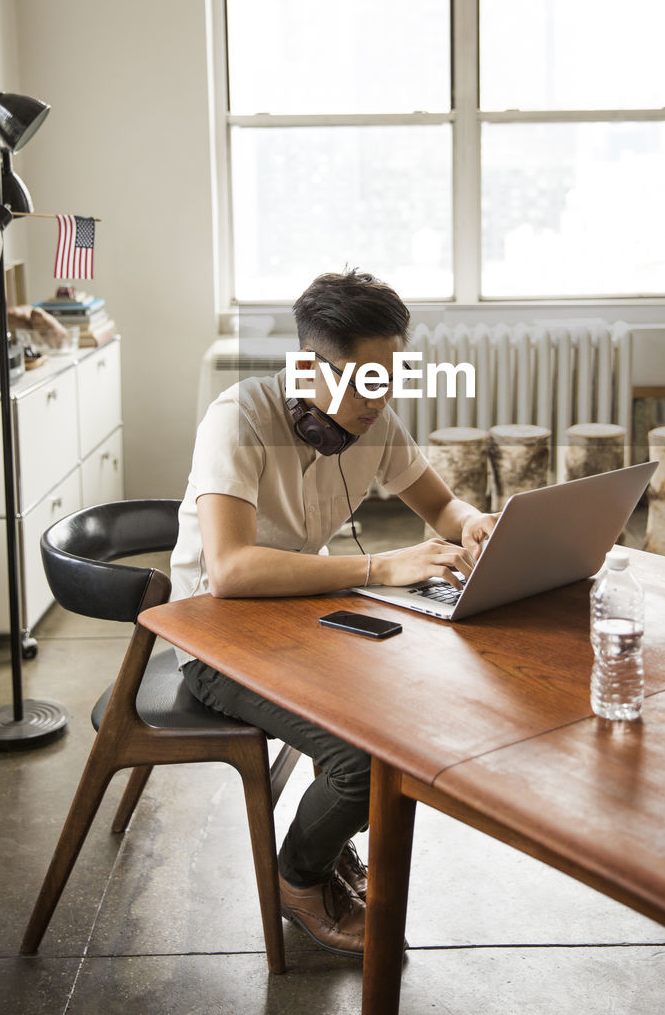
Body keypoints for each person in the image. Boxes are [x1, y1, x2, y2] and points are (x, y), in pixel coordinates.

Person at [170, 269, 498, 958]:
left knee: (404, 713)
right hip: (211, 636)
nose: (381, 395)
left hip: (298, 616)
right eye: (364, 378)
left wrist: (472, 524)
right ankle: (298, 878)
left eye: (392, 374)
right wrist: (380, 567)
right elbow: (228, 572)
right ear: (306, 368)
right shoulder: (238, 417)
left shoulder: (372, 420)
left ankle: (324, 846)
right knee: (360, 756)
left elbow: (441, 507)